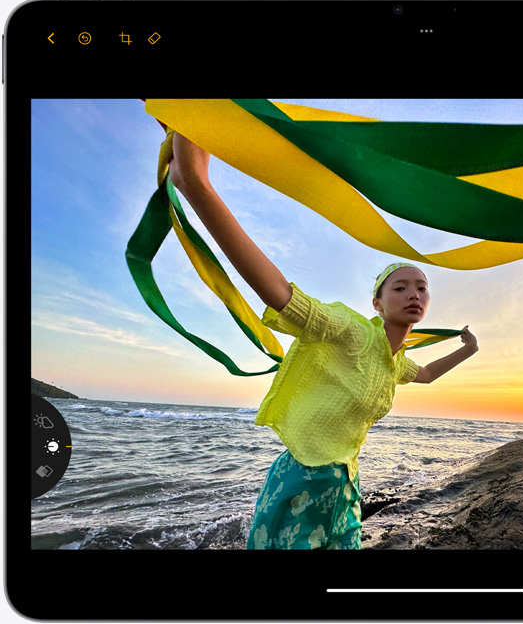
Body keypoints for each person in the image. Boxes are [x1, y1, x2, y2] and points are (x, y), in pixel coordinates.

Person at [167, 132, 479, 550]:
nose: (414, 294)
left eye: (422, 288)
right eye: (400, 287)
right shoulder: (350, 330)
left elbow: (424, 374)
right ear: (378, 302)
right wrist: (198, 187)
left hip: (345, 488)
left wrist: (467, 349)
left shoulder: (393, 360)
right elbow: (280, 294)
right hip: (301, 482)